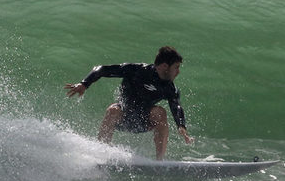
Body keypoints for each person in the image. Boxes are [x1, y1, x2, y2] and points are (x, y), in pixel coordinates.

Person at [65, 46, 194, 160]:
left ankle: (159, 162)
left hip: (144, 122)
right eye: (176, 67)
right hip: (124, 118)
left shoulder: (169, 88)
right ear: (165, 66)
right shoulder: (136, 70)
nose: (178, 72)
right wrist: (84, 84)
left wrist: (181, 125)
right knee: (113, 110)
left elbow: (176, 105)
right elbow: (102, 69)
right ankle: (100, 154)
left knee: (160, 112)